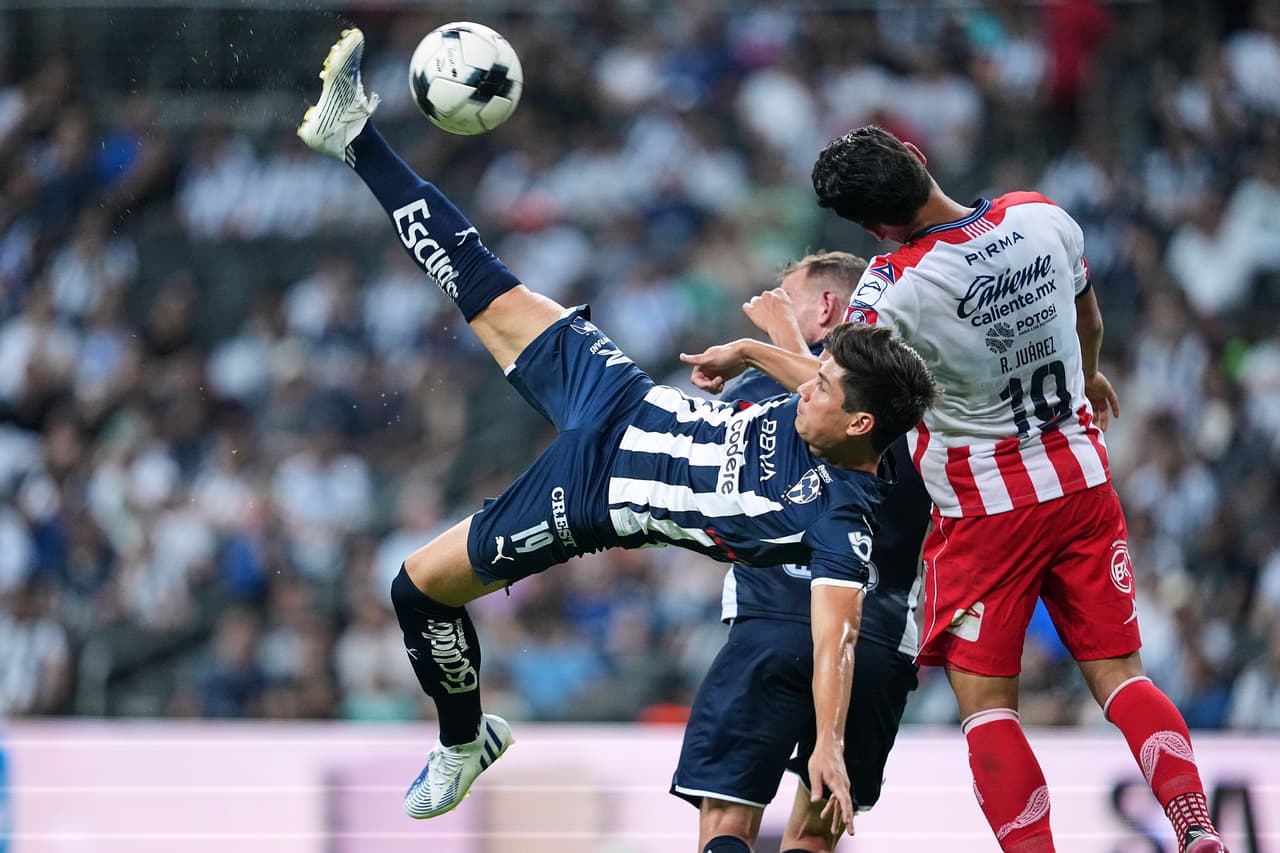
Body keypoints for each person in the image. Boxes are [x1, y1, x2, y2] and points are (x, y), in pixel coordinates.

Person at [296, 31, 939, 833]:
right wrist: (754, 348)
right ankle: (356, 137)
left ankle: (463, 741)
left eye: (823, 378)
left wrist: (831, 744)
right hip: (623, 398)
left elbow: (838, 629)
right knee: (481, 283)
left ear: (856, 413)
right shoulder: (822, 389)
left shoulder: (846, 506)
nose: (810, 378)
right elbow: (820, 374)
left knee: (415, 586)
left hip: (598, 494)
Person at [681, 125, 1228, 853]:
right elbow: (1087, 316)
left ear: (873, 227)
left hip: (985, 511)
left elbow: (832, 391)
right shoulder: (1039, 214)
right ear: (918, 158)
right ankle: (1195, 824)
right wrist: (1090, 374)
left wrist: (754, 346)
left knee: (988, 708)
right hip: (1082, 482)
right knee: (1123, 676)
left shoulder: (892, 286)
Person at [671, 252, 932, 853]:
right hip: (875, 639)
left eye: (784, 298)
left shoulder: (762, 392)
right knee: (814, 835)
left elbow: (809, 400)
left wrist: (771, 341)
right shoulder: (922, 398)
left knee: (727, 819)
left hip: (771, 624)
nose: (769, 308)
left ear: (827, 306)